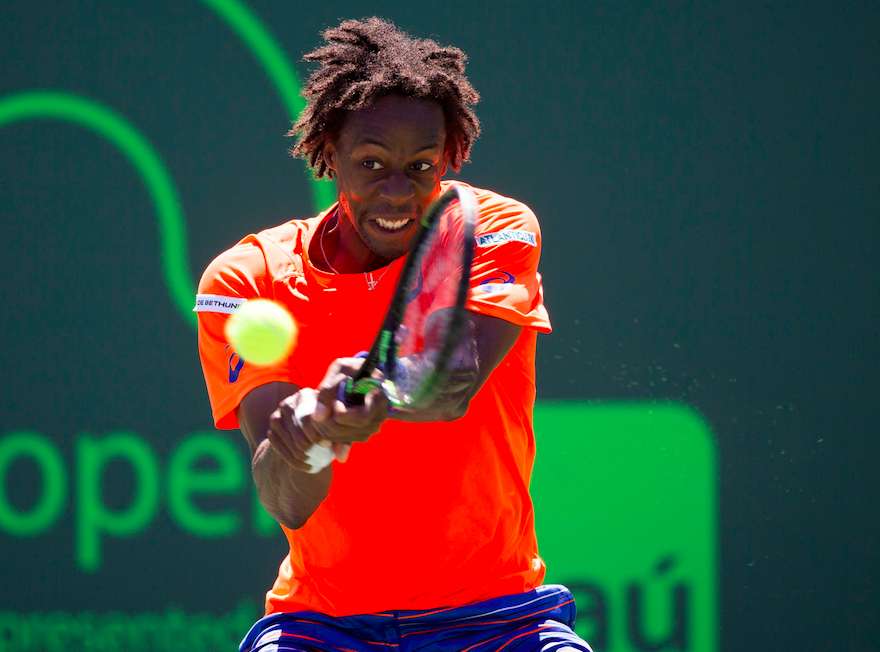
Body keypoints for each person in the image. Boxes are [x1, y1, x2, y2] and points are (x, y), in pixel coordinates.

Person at [195, 17, 592, 652]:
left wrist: (359, 392)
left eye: (421, 165)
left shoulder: (487, 227)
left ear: (450, 157)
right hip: (321, 626)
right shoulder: (248, 278)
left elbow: (449, 385)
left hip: (497, 617)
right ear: (330, 151)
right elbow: (287, 501)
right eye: (372, 163)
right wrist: (309, 434)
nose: (397, 191)